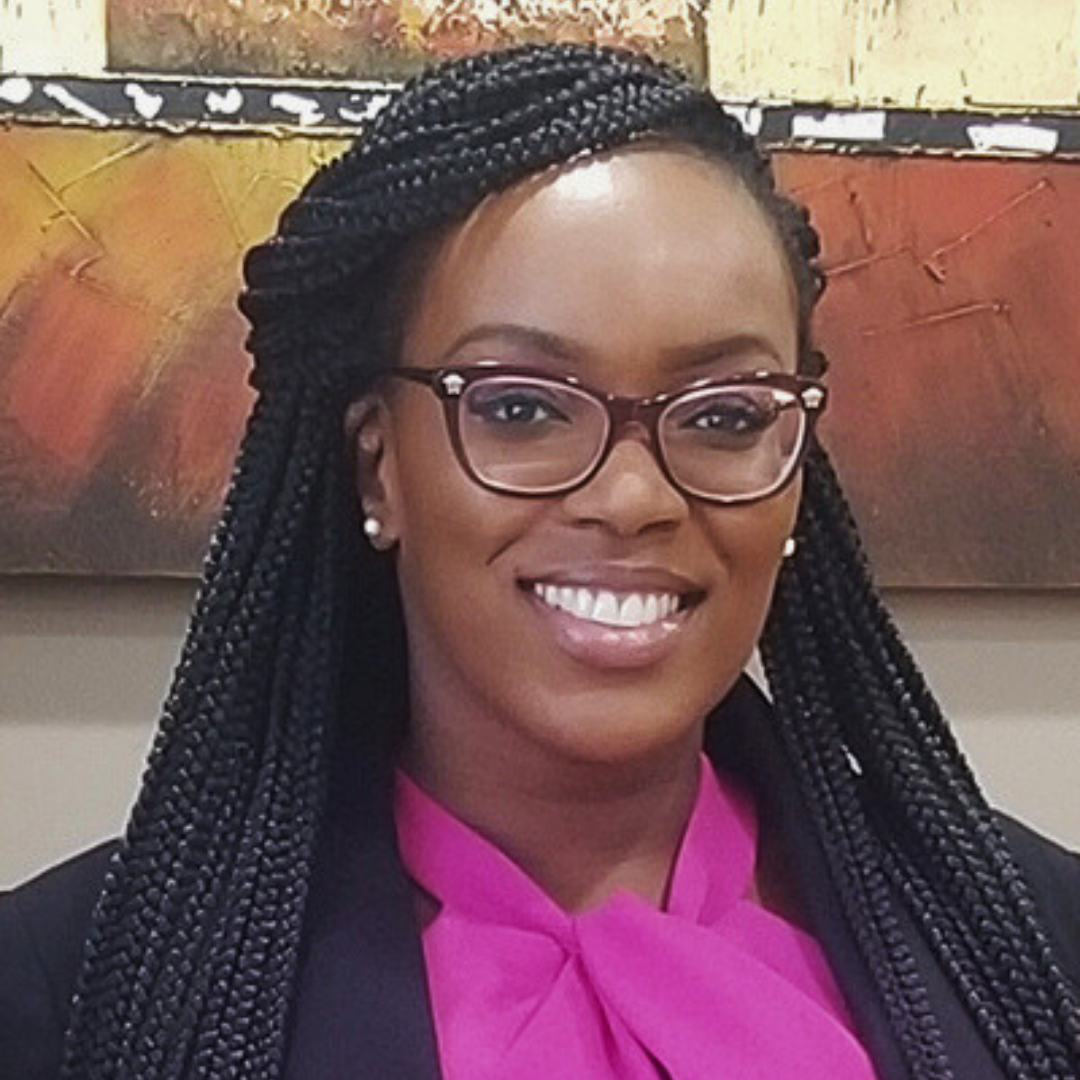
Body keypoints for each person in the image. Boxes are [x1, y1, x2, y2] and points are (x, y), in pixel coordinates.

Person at [2, 42, 1078, 1080]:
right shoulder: (81, 996)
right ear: (380, 468)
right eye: (519, 408)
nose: (633, 497)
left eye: (725, 413)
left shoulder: (1031, 944)